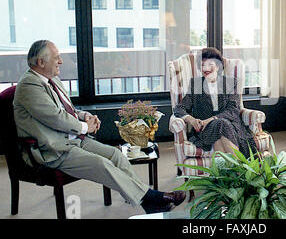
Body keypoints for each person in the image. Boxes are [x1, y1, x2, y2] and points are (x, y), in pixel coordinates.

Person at [13, 40, 185, 214]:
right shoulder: (29, 85)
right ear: (41, 62)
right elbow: (56, 118)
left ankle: (147, 201)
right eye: (56, 58)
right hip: (53, 149)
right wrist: (85, 127)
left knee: (116, 155)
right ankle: (151, 197)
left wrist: (83, 116)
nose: (61, 61)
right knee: (101, 164)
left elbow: (67, 110)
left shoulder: (52, 80)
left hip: (73, 139)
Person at [173, 47, 258, 158]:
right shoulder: (196, 85)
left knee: (219, 133)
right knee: (221, 125)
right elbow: (179, 108)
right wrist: (191, 120)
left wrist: (211, 120)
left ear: (218, 66)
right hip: (205, 131)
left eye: (210, 64)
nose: (206, 68)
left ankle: (228, 173)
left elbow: (233, 110)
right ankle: (242, 170)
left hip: (232, 127)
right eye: (203, 65)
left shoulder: (230, 83)